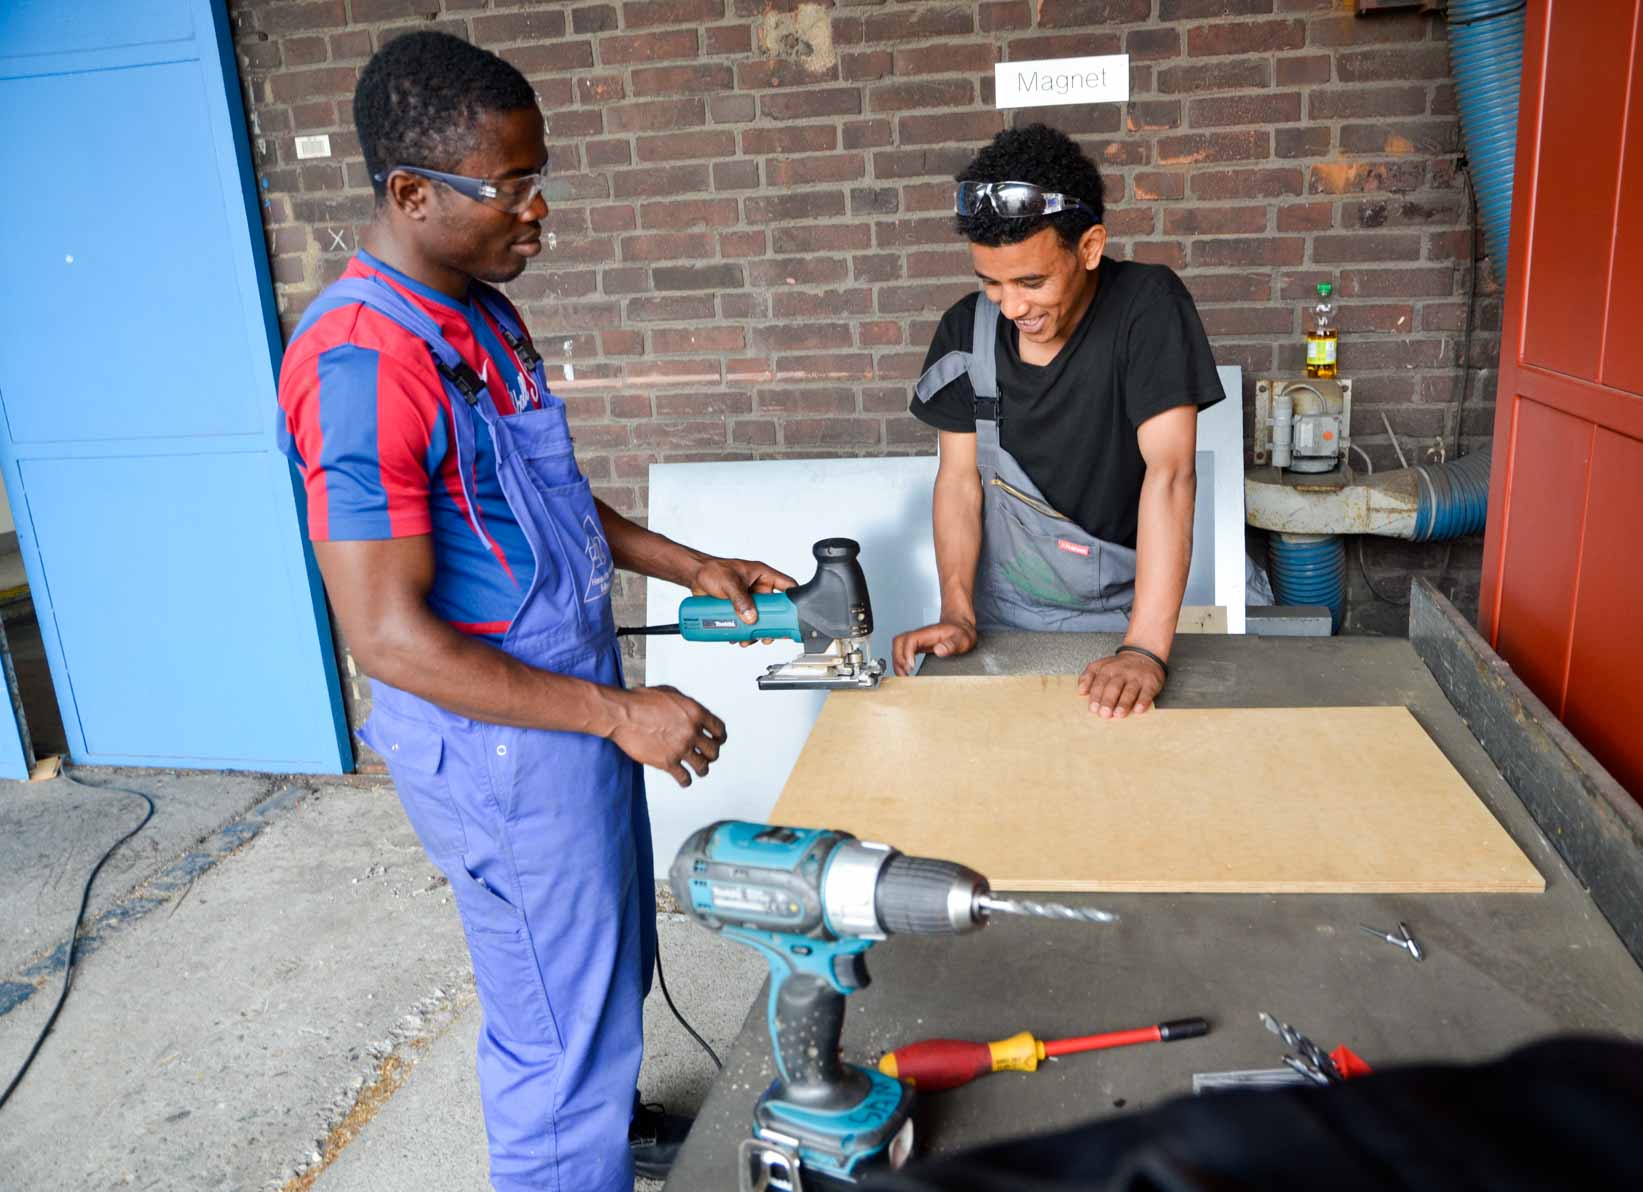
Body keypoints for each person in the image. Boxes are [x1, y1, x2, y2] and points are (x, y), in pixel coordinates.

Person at [275, 31, 789, 1191]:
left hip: (561, 702)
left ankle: (605, 1130)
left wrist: (689, 561)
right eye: (510, 186)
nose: (538, 208)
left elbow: (538, 493)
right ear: (412, 194)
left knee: (603, 961)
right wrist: (618, 714)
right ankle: (569, 1156)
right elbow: (387, 637)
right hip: (498, 743)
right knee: (553, 1029)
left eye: (535, 177)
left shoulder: (476, 312)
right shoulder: (361, 366)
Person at [892, 124, 1226, 719]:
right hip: (1004, 627)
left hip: (1128, 619)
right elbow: (960, 482)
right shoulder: (966, 331)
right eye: (991, 283)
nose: (1012, 306)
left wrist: (1144, 650)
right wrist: (958, 614)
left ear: (1089, 248)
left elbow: (1171, 475)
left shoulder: (1148, 307)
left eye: (1032, 281)